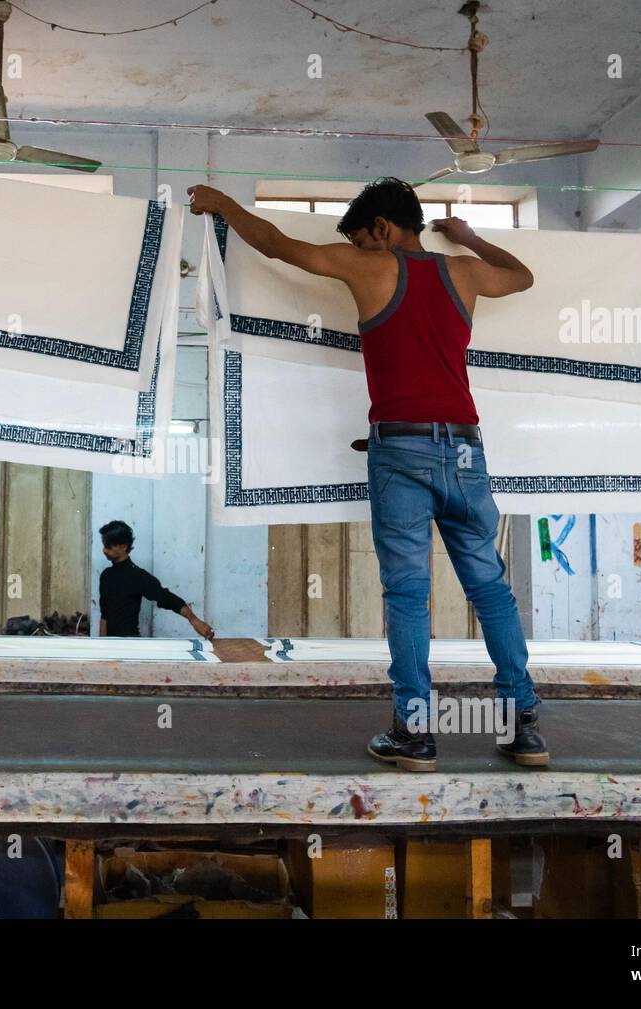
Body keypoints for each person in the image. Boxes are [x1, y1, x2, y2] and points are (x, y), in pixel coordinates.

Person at [187, 177, 546, 771]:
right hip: (464, 450)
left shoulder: (371, 269)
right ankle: (525, 728)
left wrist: (224, 205)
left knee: (408, 594)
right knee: (489, 587)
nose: (358, 250)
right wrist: (471, 237)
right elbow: (524, 276)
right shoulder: (465, 273)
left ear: (381, 229)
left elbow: (276, 245)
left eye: (361, 239)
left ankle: (415, 734)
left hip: (399, 451)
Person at [98, 520, 214, 640]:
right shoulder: (106, 576)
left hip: (131, 643)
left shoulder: (138, 576)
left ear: (123, 547)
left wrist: (194, 619)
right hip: (110, 645)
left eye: (108, 546)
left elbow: (167, 598)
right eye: (104, 546)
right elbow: (104, 615)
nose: (104, 550)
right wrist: (101, 646)